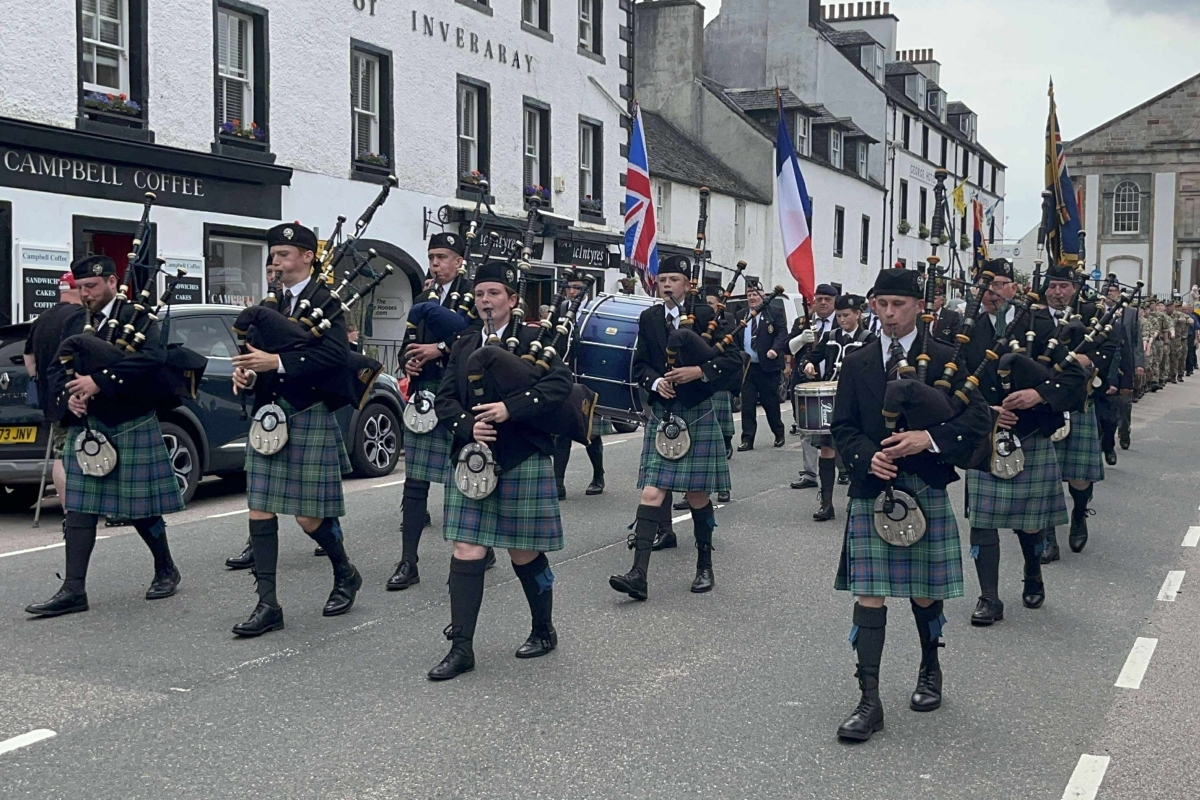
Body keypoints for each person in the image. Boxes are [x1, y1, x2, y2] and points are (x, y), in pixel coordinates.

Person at [830, 267, 991, 742]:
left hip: (924, 484)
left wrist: (930, 438)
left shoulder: (944, 357)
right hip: (873, 489)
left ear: (918, 307)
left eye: (898, 305)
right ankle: (869, 700)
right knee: (870, 592)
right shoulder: (858, 361)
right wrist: (866, 457)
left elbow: (978, 418)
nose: (888, 314)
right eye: (881, 304)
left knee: (923, 590)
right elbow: (842, 427)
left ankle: (930, 666)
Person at [427, 260, 572, 681]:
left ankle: (543, 630)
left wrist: (511, 408)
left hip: (521, 455)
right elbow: (445, 399)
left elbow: (559, 387)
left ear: (512, 300)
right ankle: (461, 648)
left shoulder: (534, 339)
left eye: (494, 294)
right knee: (466, 548)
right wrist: (467, 425)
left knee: (522, 552)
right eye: (479, 295)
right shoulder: (463, 343)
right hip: (473, 458)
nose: (486, 301)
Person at [24, 255, 184, 618]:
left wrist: (99, 381)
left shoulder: (138, 317)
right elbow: (55, 368)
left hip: (130, 419)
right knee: (79, 506)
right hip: (90, 424)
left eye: (91, 287)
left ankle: (165, 568)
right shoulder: (75, 320)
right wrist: (70, 397)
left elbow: (153, 360)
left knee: (140, 508)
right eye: (80, 288)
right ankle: (73, 589)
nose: (85, 294)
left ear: (112, 282)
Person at [228, 222, 363, 637]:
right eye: (273, 256)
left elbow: (338, 355)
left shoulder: (328, 301)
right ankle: (267, 603)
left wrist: (280, 364)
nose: (276, 262)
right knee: (260, 507)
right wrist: (248, 375)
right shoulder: (271, 303)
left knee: (307, 518)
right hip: (269, 413)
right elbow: (254, 354)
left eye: (284, 255)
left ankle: (345, 571)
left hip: (307, 412)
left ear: (307, 256)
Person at [959, 260, 1083, 626]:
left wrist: (1038, 395)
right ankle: (989, 597)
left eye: (1001, 284)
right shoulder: (964, 329)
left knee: (1029, 523)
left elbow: (1074, 377)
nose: (993, 292)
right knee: (982, 521)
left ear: (1014, 288)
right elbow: (951, 384)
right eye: (987, 284)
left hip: (1030, 434)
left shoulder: (1039, 324)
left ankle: (1032, 569)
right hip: (985, 436)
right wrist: (989, 410)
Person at [609, 255, 740, 600]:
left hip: (697, 410)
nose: (667, 284)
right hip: (665, 413)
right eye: (662, 279)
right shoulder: (649, 318)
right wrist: (655, 383)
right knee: (651, 492)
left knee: (697, 494)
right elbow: (640, 368)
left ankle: (704, 565)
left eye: (674, 279)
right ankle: (638, 574)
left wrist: (699, 372)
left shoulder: (709, 315)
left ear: (687, 283)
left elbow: (733, 361)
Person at [385, 233, 480, 590]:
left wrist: (439, 348)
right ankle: (408, 562)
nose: (435, 263)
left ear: (458, 261)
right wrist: (408, 361)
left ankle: (480, 548)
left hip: (460, 397)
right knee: (415, 483)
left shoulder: (474, 294)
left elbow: (477, 336)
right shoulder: (424, 297)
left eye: (442, 257)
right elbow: (408, 343)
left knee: (466, 477)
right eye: (431, 257)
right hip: (425, 396)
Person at [1039, 268, 1118, 562]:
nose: (1058, 291)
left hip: (1079, 401)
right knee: (1045, 476)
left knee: (1080, 477)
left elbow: (1109, 346)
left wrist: (1089, 359)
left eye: (1064, 286)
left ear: (1074, 288)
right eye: (1053, 286)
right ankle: (1048, 536)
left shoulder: (1090, 313)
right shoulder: (1033, 316)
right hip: (1044, 402)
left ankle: (1079, 514)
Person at [804, 294, 874, 521]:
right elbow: (813, 356)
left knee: (855, 450)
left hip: (859, 401)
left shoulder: (868, 338)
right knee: (826, 449)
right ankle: (826, 503)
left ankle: (857, 499)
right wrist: (809, 365)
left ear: (857, 314)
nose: (842, 319)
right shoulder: (831, 336)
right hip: (832, 400)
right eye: (839, 315)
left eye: (846, 315)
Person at [23, 272, 83, 507]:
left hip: (52, 397)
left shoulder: (41, 318)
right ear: (77, 288)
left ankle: (69, 511)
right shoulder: (80, 316)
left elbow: (29, 357)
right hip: (78, 394)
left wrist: (40, 383)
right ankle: (88, 509)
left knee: (62, 454)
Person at [552, 273, 606, 500]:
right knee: (561, 432)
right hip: (565, 378)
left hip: (588, 378)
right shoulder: (561, 310)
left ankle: (598, 475)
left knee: (590, 432)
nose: (572, 292)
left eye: (576, 288)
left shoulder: (594, 314)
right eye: (569, 288)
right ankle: (558, 484)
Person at [788, 284, 838, 490]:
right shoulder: (803, 322)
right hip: (808, 383)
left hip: (835, 382)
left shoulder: (842, 321)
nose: (823, 302)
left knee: (838, 428)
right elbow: (787, 347)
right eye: (819, 299)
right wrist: (801, 339)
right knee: (806, 428)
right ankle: (810, 473)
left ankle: (842, 468)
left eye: (828, 299)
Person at [737, 282, 788, 452]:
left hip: (768, 366)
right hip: (748, 367)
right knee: (747, 404)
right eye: (749, 294)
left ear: (763, 295)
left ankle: (778, 433)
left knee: (770, 402)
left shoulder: (774, 312)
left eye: (755, 294)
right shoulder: (741, 315)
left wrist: (775, 349)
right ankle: (747, 439)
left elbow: (782, 334)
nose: (752, 297)